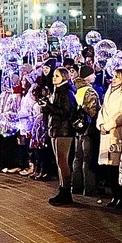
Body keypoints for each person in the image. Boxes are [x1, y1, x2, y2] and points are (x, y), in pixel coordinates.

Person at [98, 69, 122, 208]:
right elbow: (102, 110)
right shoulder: (108, 92)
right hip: (106, 133)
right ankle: (115, 196)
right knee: (110, 167)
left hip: (116, 133)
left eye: (116, 77)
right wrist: (100, 124)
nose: (113, 79)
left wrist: (107, 126)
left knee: (118, 165)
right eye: (113, 77)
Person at [43, 67, 76, 206]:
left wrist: (49, 106)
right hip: (56, 129)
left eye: (57, 76)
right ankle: (62, 189)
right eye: (54, 75)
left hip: (64, 130)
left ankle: (66, 191)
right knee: (59, 161)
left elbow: (66, 112)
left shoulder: (67, 92)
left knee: (63, 161)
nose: (54, 78)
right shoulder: (57, 91)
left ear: (64, 77)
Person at [72, 65, 101, 197]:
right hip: (88, 129)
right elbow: (92, 111)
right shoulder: (89, 91)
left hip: (77, 128)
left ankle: (76, 185)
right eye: (92, 74)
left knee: (77, 157)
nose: (95, 76)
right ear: (87, 76)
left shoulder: (75, 88)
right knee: (87, 158)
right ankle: (89, 187)